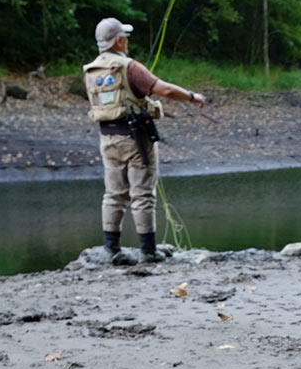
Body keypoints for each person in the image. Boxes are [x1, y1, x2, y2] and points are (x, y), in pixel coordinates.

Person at [84, 17, 208, 264]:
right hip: (135, 140)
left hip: (107, 138)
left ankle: (111, 248)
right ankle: (148, 251)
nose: (127, 41)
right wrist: (192, 96)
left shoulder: (91, 70)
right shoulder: (129, 67)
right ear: (118, 41)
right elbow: (165, 90)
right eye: (125, 37)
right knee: (142, 194)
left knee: (114, 194)